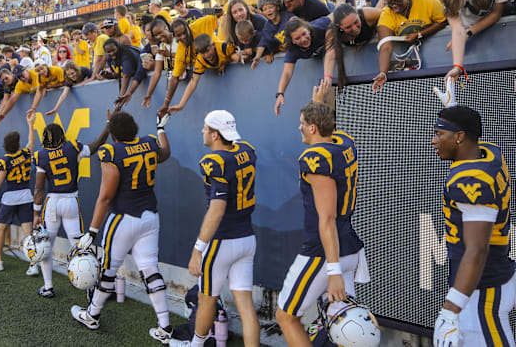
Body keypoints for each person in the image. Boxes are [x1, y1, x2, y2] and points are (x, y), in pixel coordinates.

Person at [275, 81, 366, 347]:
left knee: (286, 316)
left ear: (312, 128)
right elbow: (329, 127)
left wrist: (333, 270)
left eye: (302, 123)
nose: (299, 127)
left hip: (324, 252)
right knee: (340, 326)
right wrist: (320, 105)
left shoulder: (315, 158)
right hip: (349, 244)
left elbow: (325, 218)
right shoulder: (344, 142)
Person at [71, 111, 172, 344]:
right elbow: (164, 154)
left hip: (124, 218)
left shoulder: (111, 152)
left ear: (113, 134)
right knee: (149, 267)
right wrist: (161, 129)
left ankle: (92, 314)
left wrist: (93, 230)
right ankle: (164, 325)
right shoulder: (148, 143)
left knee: (108, 268)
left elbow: (106, 197)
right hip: (150, 216)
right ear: (135, 127)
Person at [171, 111, 260, 347]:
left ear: (215, 134)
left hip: (222, 241)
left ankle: (195, 345)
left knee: (206, 299)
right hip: (247, 239)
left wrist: (198, 248)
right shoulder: (247, 150)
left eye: (205, 127)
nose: (202, 131)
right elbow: (238, 148)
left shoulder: (215, 162)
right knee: (246, 306)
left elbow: (217, 209)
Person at [430, 105, 514, 347]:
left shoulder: (472, 182)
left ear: (459, 137)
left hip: (483, 287)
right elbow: (469, 138)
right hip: (478, 283)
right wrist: (452, 108)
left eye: (439, 134)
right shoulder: (488, 152)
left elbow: (477, 250)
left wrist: (450, 308)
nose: (434, 141)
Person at [32, 117, 110, 297]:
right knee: (80, 246)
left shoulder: (41, 155)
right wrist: (107, 124)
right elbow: (97, 144)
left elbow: (39, 188)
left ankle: (48, 286)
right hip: (71, 202)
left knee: (46, 246)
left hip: (52, 204)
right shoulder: (72, 147)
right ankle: (89, 287)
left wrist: (36, 213)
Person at [440, 0, 514, 83]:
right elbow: (457, 29)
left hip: (495, 25)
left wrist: (469, 33)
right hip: (467, 26)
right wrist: (457, 67)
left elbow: (496, 13)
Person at [0, 114, 38, 272]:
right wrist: (31, 125)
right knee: (28, 232)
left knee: (1, 229)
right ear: (17, 144)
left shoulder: (4, 161)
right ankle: (33, 264)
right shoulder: (25, 154)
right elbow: (31, 143)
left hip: (10, 197)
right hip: (25, 195)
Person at [372, 0, 447, 92]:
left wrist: (420, 34)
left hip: (436, 58)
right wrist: (383, 72)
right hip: (412, 64)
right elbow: (385, 45)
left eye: (398, 0)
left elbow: (443, 20)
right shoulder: (387, 13)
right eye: (389, 2)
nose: (394, 6)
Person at [274, 16, 335, 116]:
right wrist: (280, 94)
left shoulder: (319, 27)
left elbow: (336, 15)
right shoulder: (293, 50)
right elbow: (287, 72)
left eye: (304, 34)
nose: (303, 39)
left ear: (308, 29)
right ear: (293, 41)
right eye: (298, 38)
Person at [167, 34, 239, 115]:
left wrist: (227, 60)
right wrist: (181, 105)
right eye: (202, 53)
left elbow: (241, 50)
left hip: (237, 84)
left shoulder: (223, 47)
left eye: (208, 50)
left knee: (236, 57)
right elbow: (193, 83)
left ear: (213, 45)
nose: (206, 55)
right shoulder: (200, 60)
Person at [330, 4, 382, 90]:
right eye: (348, 27)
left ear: (358, 15)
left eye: (356, 22)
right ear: (340, 27)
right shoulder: (331, 29)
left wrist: (379, 31)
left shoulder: (368, 15)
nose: (355, 28)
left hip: (372, 24)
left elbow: (390, 16)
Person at [251, 0, 294, 69]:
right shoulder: (268, 26)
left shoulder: (287, 17)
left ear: (277, 7)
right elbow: (263, 42)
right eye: (265, 9)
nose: (268, 10)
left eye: (270, 7)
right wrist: (257, 57)